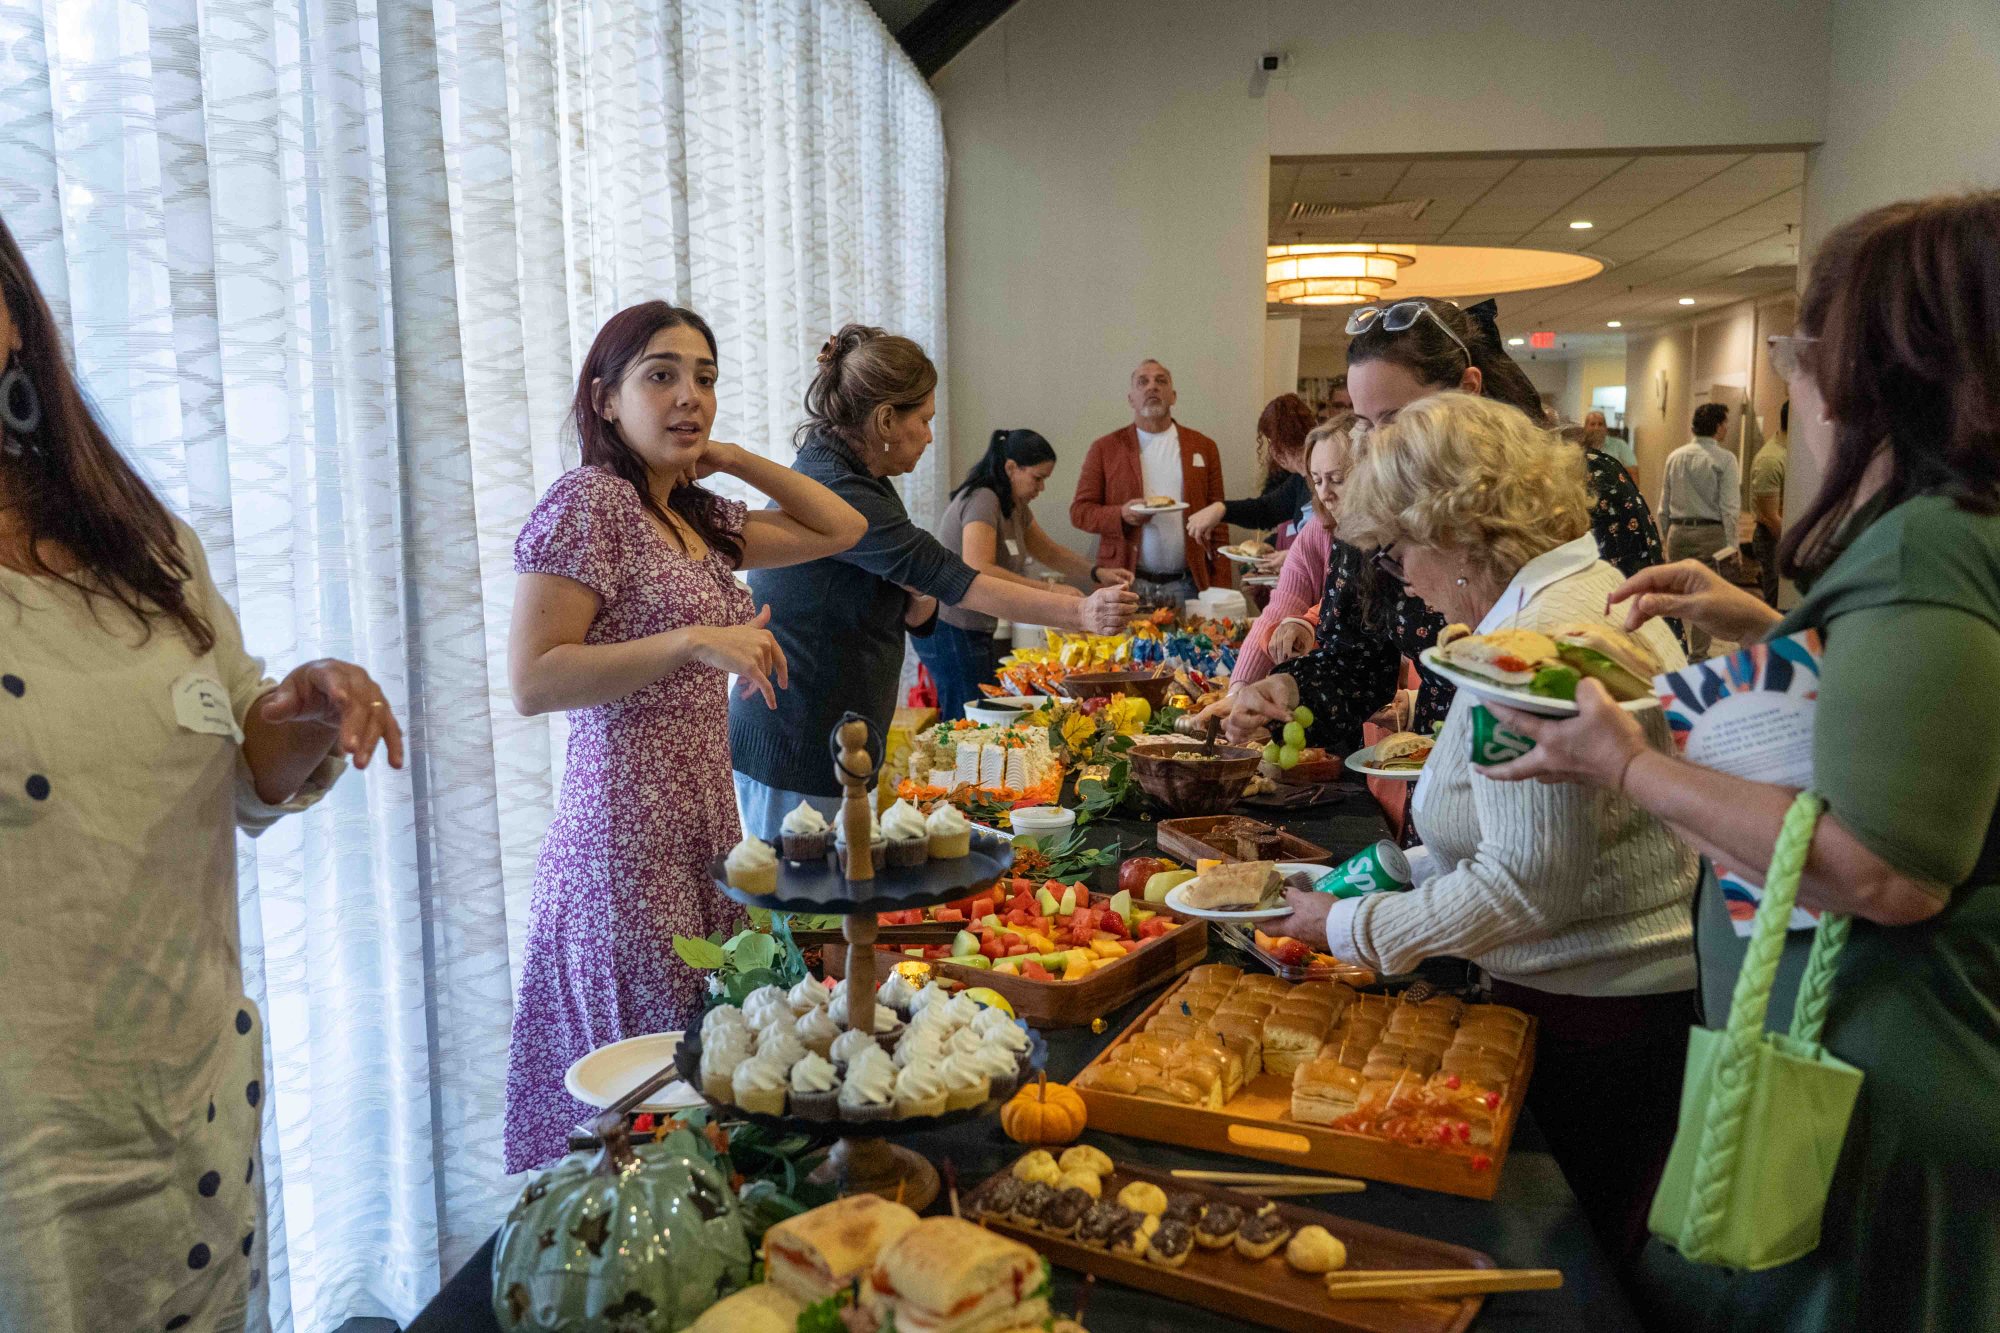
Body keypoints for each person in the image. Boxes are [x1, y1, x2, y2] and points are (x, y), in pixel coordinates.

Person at [1478, 192, 2000, 1333]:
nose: (1792, 375)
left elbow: (1880, 868)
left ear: (1877, 362)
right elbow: (1921, 723)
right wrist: (1763, 628)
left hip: (1866, 1055)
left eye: (1803, 343)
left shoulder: (1925, 539)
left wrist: (1623, 765)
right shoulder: (1957, 527)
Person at [0, 213, 403, 1332]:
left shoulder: (142, 540)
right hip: (26, 1144)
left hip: (187, 1087)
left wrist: (301, 709)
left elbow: (237, 763)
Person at [1262, 391, 1697, 1268]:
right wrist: (1387, 874)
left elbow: (1527, 883)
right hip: (1624, 1001)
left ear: (1460, 530)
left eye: (1397, 549)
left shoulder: (1535, 644)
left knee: (1566, 1272)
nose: (1401, 576)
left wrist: (1343, 925)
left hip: (1589, 1018)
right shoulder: (1583, 586)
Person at [503, 302, 867, 1171]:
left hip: (706, 828)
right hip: (623, 849)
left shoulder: (696, 517)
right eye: (660, 375)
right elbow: (532, 679)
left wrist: (731, 457)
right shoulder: (591, 502)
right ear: (604, 399)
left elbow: (840, 528)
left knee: (714, 1077)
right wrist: (690, 641)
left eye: (704, 377)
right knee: (650, 1100)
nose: (688, 395)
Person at [732, 326, 1136, 840]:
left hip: (830, 731)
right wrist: (1080, 614)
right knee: (802, 905)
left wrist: (915, 605)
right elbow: (956, 579)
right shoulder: (839, 485)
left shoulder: (854, 473)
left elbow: (908, 594)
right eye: (922, 421)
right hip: (798, 737)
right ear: (883, 419)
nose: (928, 435)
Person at [1221, 296, 1667, 753]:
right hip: (1438, 752)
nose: (1376, 445)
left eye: (1395, 418)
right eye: (1363, 422)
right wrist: (1291, 689)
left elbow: (1648, 654)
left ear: (1467, 389)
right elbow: (1355, 662)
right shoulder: (1372, 501)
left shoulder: (1586, 486)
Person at [918, 428, 1133, 720]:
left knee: (978, 711)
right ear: (1011, 468)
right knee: (967, 714)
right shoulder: (984, 499)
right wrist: (1051, 592)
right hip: (950, 626)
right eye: (1038, 478)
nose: (1041, 488)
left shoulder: (1014, 504)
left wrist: (1098, 572)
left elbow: (1049, 551)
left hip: (974, 626)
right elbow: (978, 567)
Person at [1069, 358, 1228, 607]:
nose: (1152, 387)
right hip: (1127, 582)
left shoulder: (1203, 447)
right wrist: (1121, 514)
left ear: (1173, 396)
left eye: (1160, 381)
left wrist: (1221, 589)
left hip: (1190, 584)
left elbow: (1218, 520)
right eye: (1142, 382)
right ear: (1131, 398)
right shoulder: (1105, 448)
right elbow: (1080, 512)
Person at [1228, 418, 1356, 687]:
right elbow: (1281, 607)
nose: (1325, 494)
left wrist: (1307, 624)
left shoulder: (1394, 539)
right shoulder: (1317, 529)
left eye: (1337, 479)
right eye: (1317, 480)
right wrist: (1238, 689)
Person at [1187, 392, 1317, 560]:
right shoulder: (1300, 480)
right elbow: (1266, 510)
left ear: (1276, 447)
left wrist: (1291, 557)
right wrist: (1221, 508)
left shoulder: (1322, 477)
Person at [1660, 402, 1742, 655]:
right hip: (1711, 534)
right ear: (1718, 427)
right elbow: (1729, 508)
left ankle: (1672, 651)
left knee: (1677, 595)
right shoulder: (1725, 459)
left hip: (1678, 532)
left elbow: (1663, 506)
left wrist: (1666, 538)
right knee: (1705, 596)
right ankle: (1697, 655)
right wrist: (1733, 546)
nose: (1726, 428)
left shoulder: (1675, 456)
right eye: (1725, 423)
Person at [1749, 401, 1790, 606]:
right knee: (1777, 606)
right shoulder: (1771, 459)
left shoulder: (1792, 453)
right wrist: (1796, 543)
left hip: (1785, 536)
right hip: (1774, 538)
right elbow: (1770, 517)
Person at [1583, 408, 1639, 473]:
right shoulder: (1579, 447)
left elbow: (1633, 472)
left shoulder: (1620, 445)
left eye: (1600, 424)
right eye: (1592, 424)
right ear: (1585, 428)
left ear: (1606, 427)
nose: (1597, 428)